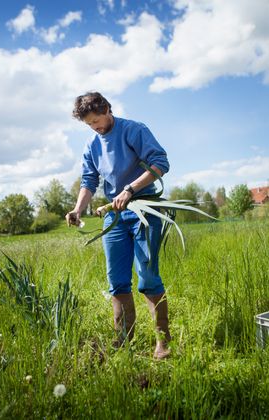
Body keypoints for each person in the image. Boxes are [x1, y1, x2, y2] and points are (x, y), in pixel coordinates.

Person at [65, 92, 171, 359]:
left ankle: (163, 343)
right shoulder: (92, 145)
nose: (96, 127)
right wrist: (78, 209)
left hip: (145, 208)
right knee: (117, 281)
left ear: (107, 109)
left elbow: (161, 163)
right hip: (116, 213)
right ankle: (123, 340)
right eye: (89, 124)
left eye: (97, 120)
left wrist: (130, 189)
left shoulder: (134, 130)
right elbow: (89, 181)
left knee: (147, 276)